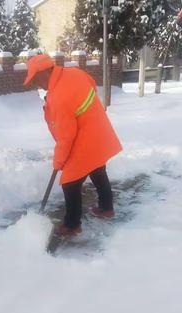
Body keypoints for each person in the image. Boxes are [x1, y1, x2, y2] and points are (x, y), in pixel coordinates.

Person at [23, 54, 122, 236]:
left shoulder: (58, 97)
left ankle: (71, 225)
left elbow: (65, 137)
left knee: (70, 182)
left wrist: (59, 162)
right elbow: (91, 85)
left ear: (44, 72)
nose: (37, 84)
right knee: (98, 169)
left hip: (84, 139)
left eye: (36, 79)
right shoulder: (74, 73)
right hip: (99, 130)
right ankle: (106, 208)